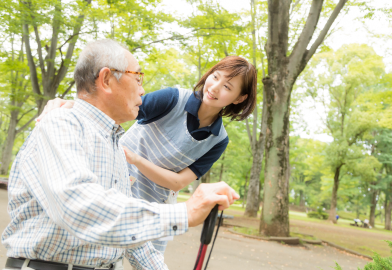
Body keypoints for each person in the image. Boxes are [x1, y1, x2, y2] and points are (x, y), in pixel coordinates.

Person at [2, 39, 239, 270]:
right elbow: (79, 207)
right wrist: (184, 213)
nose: (143, 89)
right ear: (106, 79)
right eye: (137, 78)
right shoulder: (61, 124)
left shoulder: (115, 147)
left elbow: (128, 237)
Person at [40, 56, 257, 254]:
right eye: (215, 77)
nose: (215, 87)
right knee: (92, 253)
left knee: (149, 261)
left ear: (239, 98)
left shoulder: (218, 140)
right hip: (115, 187)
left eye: (227, 86)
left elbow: (178, 181)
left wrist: (135, 159)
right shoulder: (173, 98)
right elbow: (117, 110)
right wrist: (73, 106)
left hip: (157, 208)